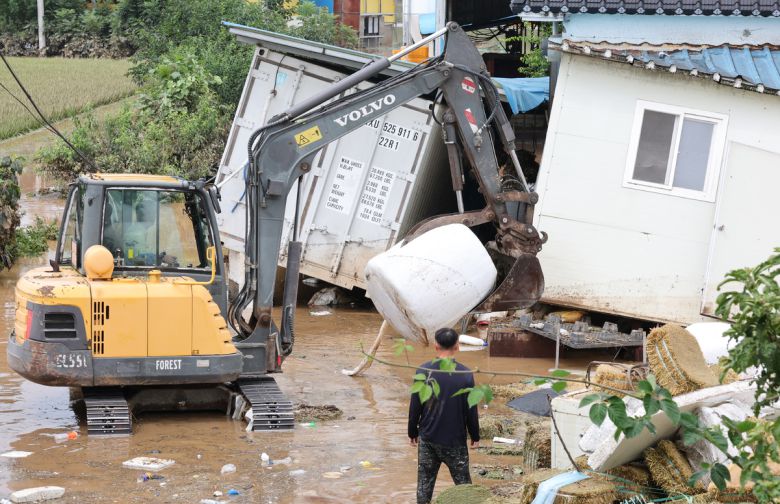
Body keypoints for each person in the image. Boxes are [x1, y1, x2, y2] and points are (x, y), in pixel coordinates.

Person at [408, 327, 480, 504]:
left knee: (424, 487)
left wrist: (412, 432)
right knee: (464, 487)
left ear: (435, 346)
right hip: (454, 440)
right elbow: (471, 408)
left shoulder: (423, 371)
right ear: (457, 346)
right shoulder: (465, 374)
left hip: (428, 438)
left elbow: (415, 404)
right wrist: (475, 435)